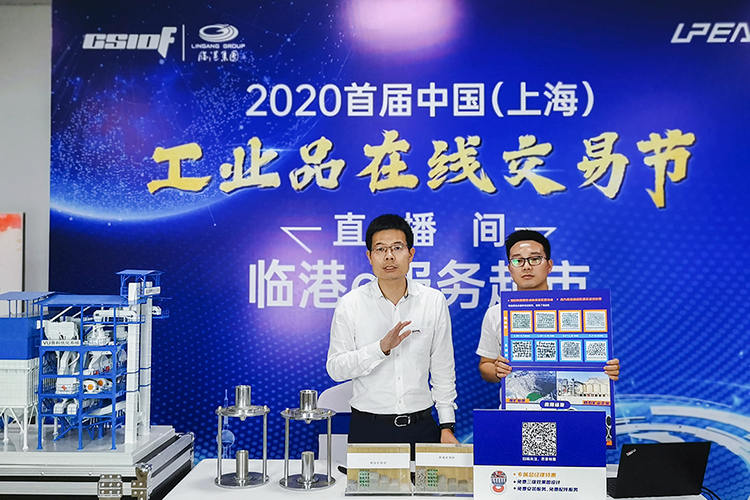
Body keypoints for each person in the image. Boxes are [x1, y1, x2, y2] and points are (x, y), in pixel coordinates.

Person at [326, 214, 458, 449]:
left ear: (411, 254)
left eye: (397, 248)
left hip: (421, 426)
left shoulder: (433, 301)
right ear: (369, 256)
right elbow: (336, 368)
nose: (389, 256)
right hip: (368, 428)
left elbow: (443, 368)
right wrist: (380, 349)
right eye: (380, 249)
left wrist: (446, 425)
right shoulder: (350, 304)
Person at [477, 229, 620, 386]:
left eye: (535, 259)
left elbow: (591, 361)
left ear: (549, 265)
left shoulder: (574, 310)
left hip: (571, 399)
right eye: (518, 261)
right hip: (518, 399)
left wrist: (605, 369)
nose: (526, 266)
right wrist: (497, 370)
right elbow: (485, 365)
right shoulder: (496, 313)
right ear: (510, 268)